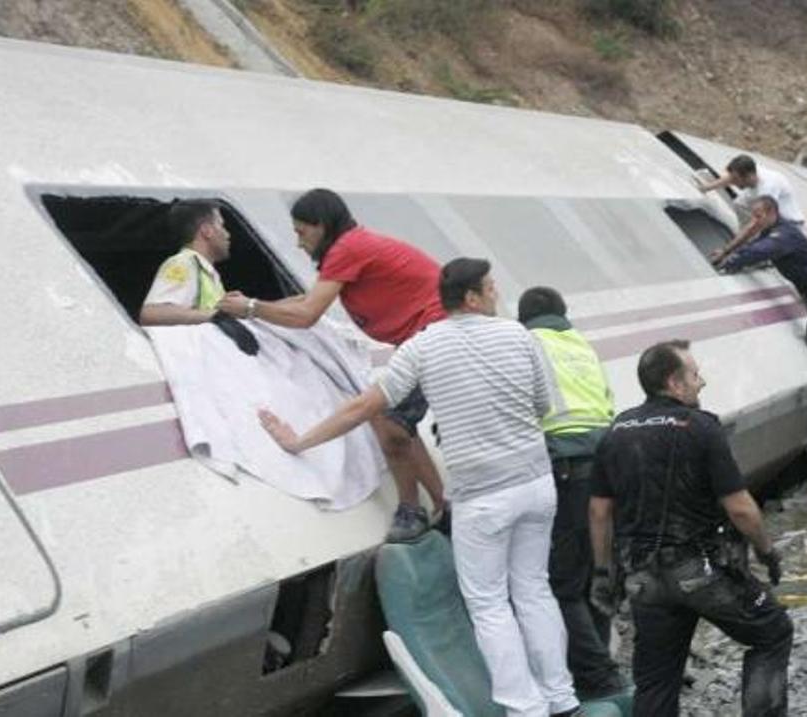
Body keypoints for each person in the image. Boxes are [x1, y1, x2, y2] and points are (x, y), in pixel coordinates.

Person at [257, 258, 581, 717]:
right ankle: (562, 699)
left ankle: (525, 709)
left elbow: (364, 408)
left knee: (489, 604)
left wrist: (299, 440)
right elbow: (544, 405)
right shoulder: (519, 336)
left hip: (483, 499)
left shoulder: (422, 348)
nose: (496, 293)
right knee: (533, 589)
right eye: (490, 287)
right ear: (472, 297)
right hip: (534, 486)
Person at [217, 189, 444, 542]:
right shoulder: (352, 247)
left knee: (385, 419)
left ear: (322, 226)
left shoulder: (346, 249)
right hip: (429, 335)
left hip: (435, 335)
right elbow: (310, 299)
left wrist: (250, 309)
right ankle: (442, 505)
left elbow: (306, 315)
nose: (298, 243)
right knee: (398, 425)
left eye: (301, 232)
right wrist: (256, 307)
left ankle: (413, 509)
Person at [588, 340, 792, 716]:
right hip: (701, 571)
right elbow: (740, 508)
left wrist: (604, 573)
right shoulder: (701, 427)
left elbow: (600, 512)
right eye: (695, 375)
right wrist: (766, 551)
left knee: (656, 678)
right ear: (674, 383)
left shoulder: (616, 432)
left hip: (643, 580)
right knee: (773, 632)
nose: (702, 382)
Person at [517, 287, 627, 700]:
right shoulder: (581, 344)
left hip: (568, 466)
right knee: (598, 570)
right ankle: (594, 669)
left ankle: (600, 678)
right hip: (610, 461)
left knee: (564, 584)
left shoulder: (527, 343)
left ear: (524, 320)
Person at [717, 195, 807, 392]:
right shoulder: (772, 230)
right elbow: (754, 245)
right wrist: (728, 252)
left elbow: (759, 251)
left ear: (772, 213)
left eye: (758, 216)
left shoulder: (783, 235)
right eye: (753, 216)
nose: (755, 221)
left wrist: (731, 263)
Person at [139, 199, 258, 354]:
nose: (228, 234)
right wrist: (217, 316)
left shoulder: (205, 271)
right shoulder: (183, 263)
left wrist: (226, 308)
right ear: (207, 231)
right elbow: (151, 314)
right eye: (222, 225)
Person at [697, 154, 805, 266]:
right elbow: (731, 177)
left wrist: (726, 251)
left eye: (736, 180)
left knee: (756, 237)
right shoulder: (750, 169)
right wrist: (706, 188)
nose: (733, 183)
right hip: (769, 212)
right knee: (739, 204)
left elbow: (755, 225)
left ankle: (758, 250)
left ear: (749, 176)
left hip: (788, 224)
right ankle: (744, 240)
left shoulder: (767, 190)